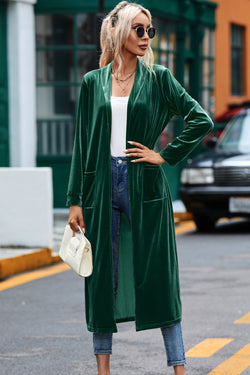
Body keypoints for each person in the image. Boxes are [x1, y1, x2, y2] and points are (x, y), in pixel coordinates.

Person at [67, 2, 214, 374]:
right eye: (139, 29)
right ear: (118, 32)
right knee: (101, 279)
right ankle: (103, 369)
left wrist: (165, 155)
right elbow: (82, 146)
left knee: (160, 276)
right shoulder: (92, 82)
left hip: (145, 183)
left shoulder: (159, 77)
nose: (146, 37)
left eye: (150, 31)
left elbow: (201, 119)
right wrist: (75, 201)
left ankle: (179, 367)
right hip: (101, 186)